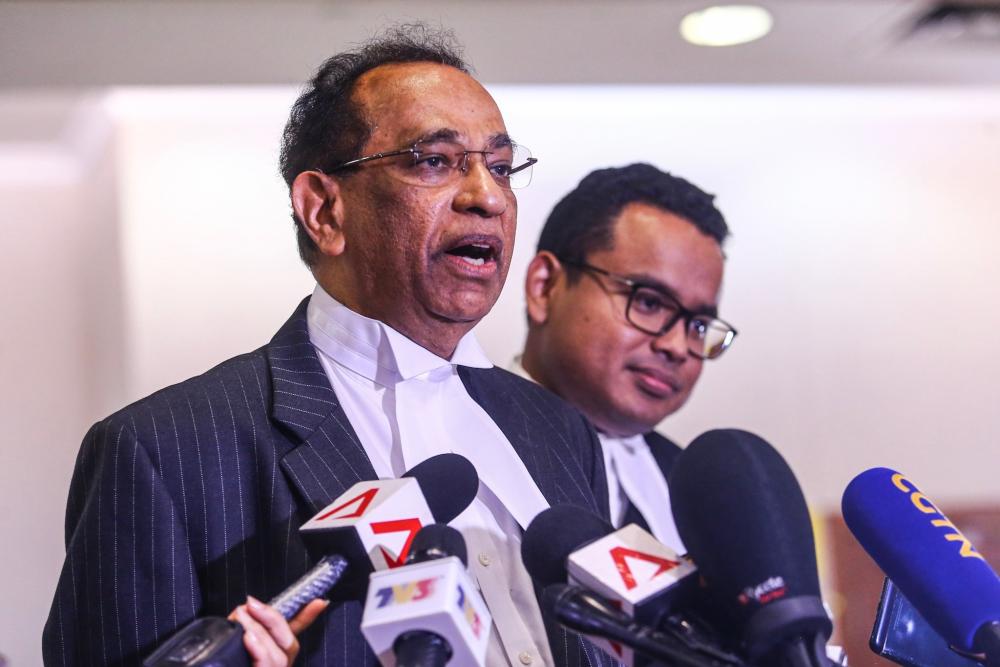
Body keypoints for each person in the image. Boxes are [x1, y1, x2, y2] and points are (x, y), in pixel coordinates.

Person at [42, 26, 612, 667]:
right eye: (433, 160)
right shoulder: (163, 451)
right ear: (324, 210)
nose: (486, 197)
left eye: (502, 168)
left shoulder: (560, 431)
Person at [515, 163, 736, 551]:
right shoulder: (454, 445)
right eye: (649, 302)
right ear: (544, 287)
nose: (677, 346)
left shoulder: (703, 502)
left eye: (699, 325)